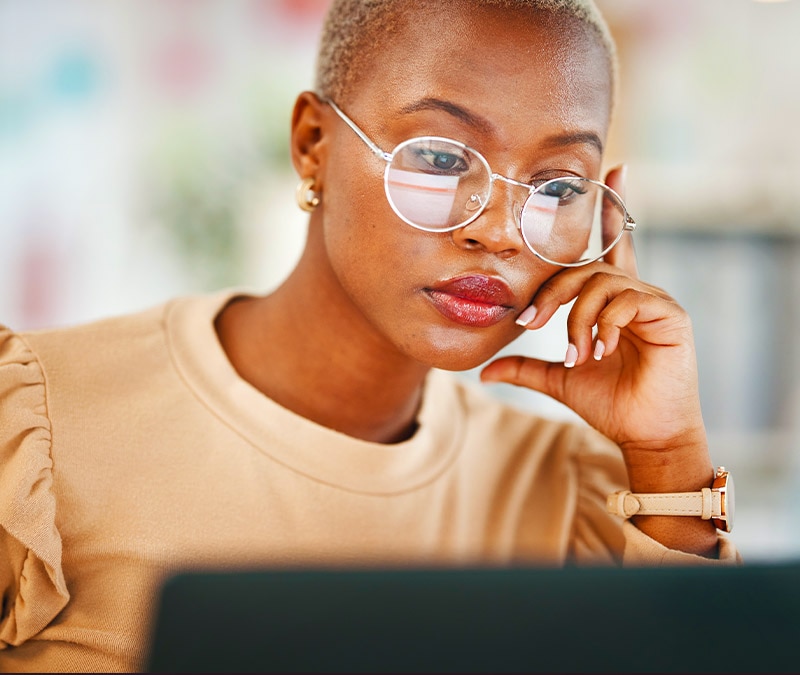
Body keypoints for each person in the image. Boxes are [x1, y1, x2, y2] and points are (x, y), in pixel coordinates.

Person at [0, 0, 740, 671]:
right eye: (443, 158)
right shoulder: (36, 424)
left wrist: (669, 455)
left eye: (557, 187)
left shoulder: (592, 495)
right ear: (312, 143)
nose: (499, 230)